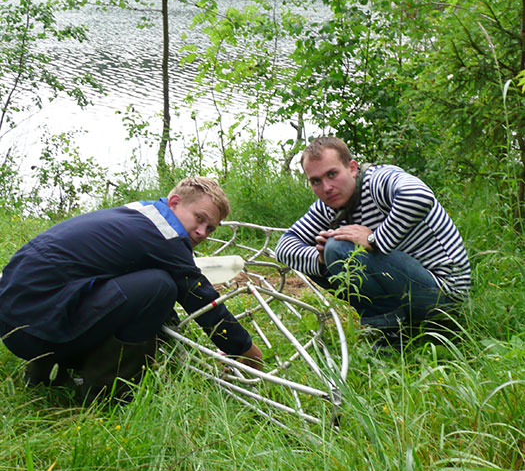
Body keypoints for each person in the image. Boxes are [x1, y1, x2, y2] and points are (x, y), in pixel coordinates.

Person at [0, 177, 263, 401]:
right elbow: (200, 298)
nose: (202, 232)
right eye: (199, 218)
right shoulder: (168, 236)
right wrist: (244, 349)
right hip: (36, 328)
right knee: (159, 287)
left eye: (210, 228)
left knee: (149, 284)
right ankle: (102, 391)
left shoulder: (141, 215)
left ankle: (45, 371)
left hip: (18, 316)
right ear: (174, 203)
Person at [275, 137, 470, 349]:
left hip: (444, 294)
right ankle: (394, 327)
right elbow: (284, 248)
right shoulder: (327, 206)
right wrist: (320, 258)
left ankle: (409, 329)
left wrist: (373, 239)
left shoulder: (378, 181)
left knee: (337, 247)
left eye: (332, 174)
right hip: (409, 287)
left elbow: (419, 195)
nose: (327, 187)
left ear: (351, 168)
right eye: (316, 181)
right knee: (326, 253)